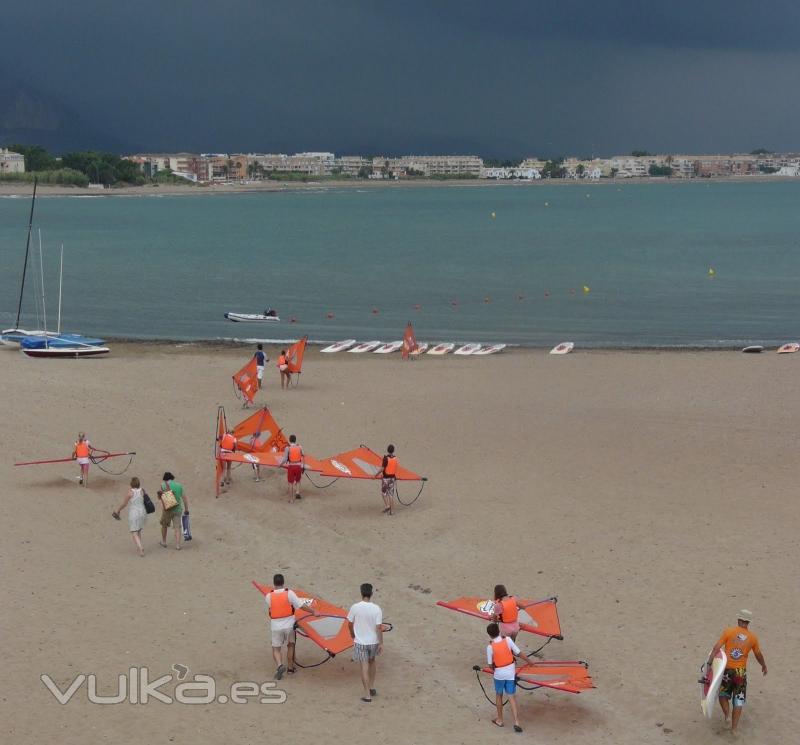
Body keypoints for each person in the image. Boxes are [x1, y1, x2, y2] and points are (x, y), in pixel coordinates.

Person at [707, 610, 767, 732]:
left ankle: (727, 716)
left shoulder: (729, 631)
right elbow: (758, 654)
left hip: (728, 671)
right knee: (738, 699)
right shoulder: (753, 638)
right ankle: (734, 729)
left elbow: (716, 648)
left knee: (723, 695)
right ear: (748, 622)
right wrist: (763, 665)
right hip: (740, 673)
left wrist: (709, 663)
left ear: (739, 620)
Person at [264, 573, 317, 680]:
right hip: (289, 625)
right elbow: (301, 605)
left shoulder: (268, 596)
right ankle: (290, 668)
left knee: (276, 649)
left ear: (274, 584)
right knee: (291, 645)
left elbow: (272, 609)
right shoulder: (290, 593)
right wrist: (313, 611)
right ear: (283, 582)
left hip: (276, 626)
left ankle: (279, 665)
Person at [486, 621, 536, 732]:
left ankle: (500, 720)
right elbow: (518, 653)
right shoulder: (508, 640)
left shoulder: (490, 647)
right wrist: (529, 661)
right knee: (511, 696)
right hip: (510, 672)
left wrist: (496, 668)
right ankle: (517, 722)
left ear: (489, 635)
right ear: (499, 631)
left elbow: (490, 665)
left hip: (499, 674)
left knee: (499, 695)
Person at [347, 583, 384, 703]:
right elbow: (379, 628)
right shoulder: (377, 608)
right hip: (373, 641)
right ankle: (372, 686)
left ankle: (367, 694)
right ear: (371, 594)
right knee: (372, 662)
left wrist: (352, 634)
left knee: (364, 666)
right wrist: (381, 643)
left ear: (361, 593)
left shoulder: (355, 607)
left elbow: (349, 623)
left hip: (360, 642)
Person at [112, 476, 147, 556]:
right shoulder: (142, 490)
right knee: (138, 530)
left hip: (134, 513)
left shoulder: (130, 492)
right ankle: (139, 547)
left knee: (134, 532)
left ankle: (140, 548)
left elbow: (124, 504)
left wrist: (118, 510)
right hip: (142, 512)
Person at [159, 471, 188, 550]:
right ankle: (178, 545)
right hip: (178, 509)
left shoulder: (163, 485)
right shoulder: (179, 485)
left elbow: (161, 498)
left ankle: (164, 542)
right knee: (177, 528)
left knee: (164, 525)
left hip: (167, 509)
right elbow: (184, 498)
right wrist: (186, 509)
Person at [279, 434, 304, 502]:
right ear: (295, 440)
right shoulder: (300, 447)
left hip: (291, 466)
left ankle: (291, 499)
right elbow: (303, 455)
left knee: (290, 483)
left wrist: (280, 465)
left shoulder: (288, 448)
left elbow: (285, 459)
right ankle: (297, 492)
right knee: (298, 480)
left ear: (289, 440)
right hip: (298, 466)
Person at [379, 444, 398, 515]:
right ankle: (392, 511)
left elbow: (382, 469)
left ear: (387, 450)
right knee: (391, 495)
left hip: (386, 479)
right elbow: (395, 467)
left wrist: (376, 475)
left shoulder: (385, 458)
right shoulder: (395, 458)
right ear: (393, 451)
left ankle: (387, 505)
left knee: (383, 493)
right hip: (392, 478)